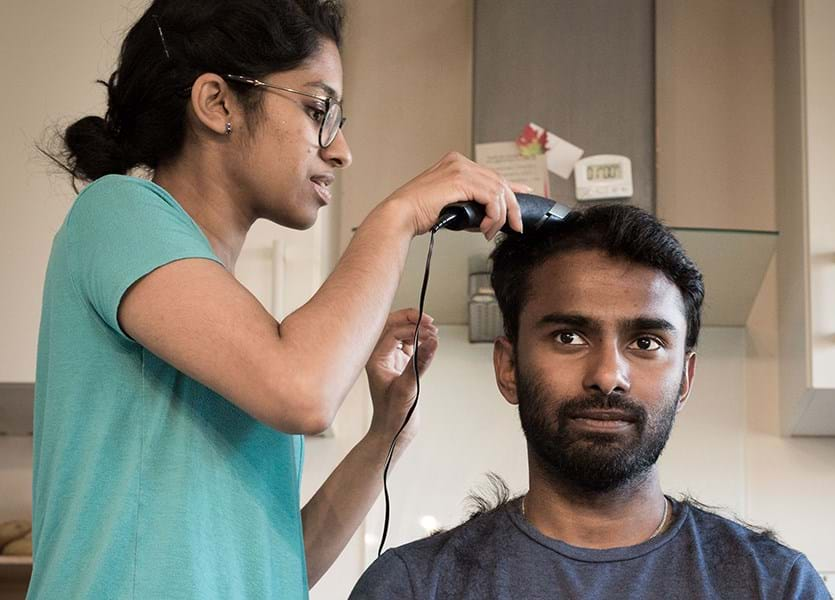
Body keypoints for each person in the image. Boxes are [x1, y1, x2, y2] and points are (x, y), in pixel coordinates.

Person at [29, 1, 526, 598]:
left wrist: (384, 437)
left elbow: (277, 568)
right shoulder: (117, 212)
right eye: (320, 110)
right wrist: (396, 216)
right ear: (217, 103)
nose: (341, 150)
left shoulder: (244, 337)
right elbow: (304, 388)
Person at [350, 204, 831, 599]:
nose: (608, 376)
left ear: (685, 378)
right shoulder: (411, 588)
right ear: (509, 367)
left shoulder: (776, 586)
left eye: (645, 342)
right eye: (569, 336)